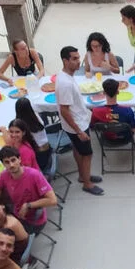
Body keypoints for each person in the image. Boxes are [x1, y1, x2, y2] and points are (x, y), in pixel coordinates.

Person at [56, 45, 104, 195]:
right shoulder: (65, 83)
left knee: (78, 150)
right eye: (74, 59)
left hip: (75, 123)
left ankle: (83, 176)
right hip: (77, 125)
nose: (78, 61)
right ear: (65, 61)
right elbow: (64, 110)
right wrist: (79, 131)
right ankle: (87, 184)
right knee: (87, 154)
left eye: (78, 58)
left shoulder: (66, 77)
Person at [0, 146, 58, 232]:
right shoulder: (4, 175)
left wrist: (28, 205)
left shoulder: (34, 175)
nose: (11, 165)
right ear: (3, 164)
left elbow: (53, 200)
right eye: (7, 162)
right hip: (16, 213)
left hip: (33, 221)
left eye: (13, 160)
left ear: (19, 159)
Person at [91, 78, 135, 146]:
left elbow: (93, 127)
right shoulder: (127, 110)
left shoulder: (96, 111)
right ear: (118, 92)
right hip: (125, 138)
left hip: (106, 138)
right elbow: (134, 129)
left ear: (103, 92)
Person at [13, 97, 52, 171]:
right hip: (47, 149)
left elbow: (16, 142)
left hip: (39, 158)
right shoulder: (35, 116)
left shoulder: (23, 126)